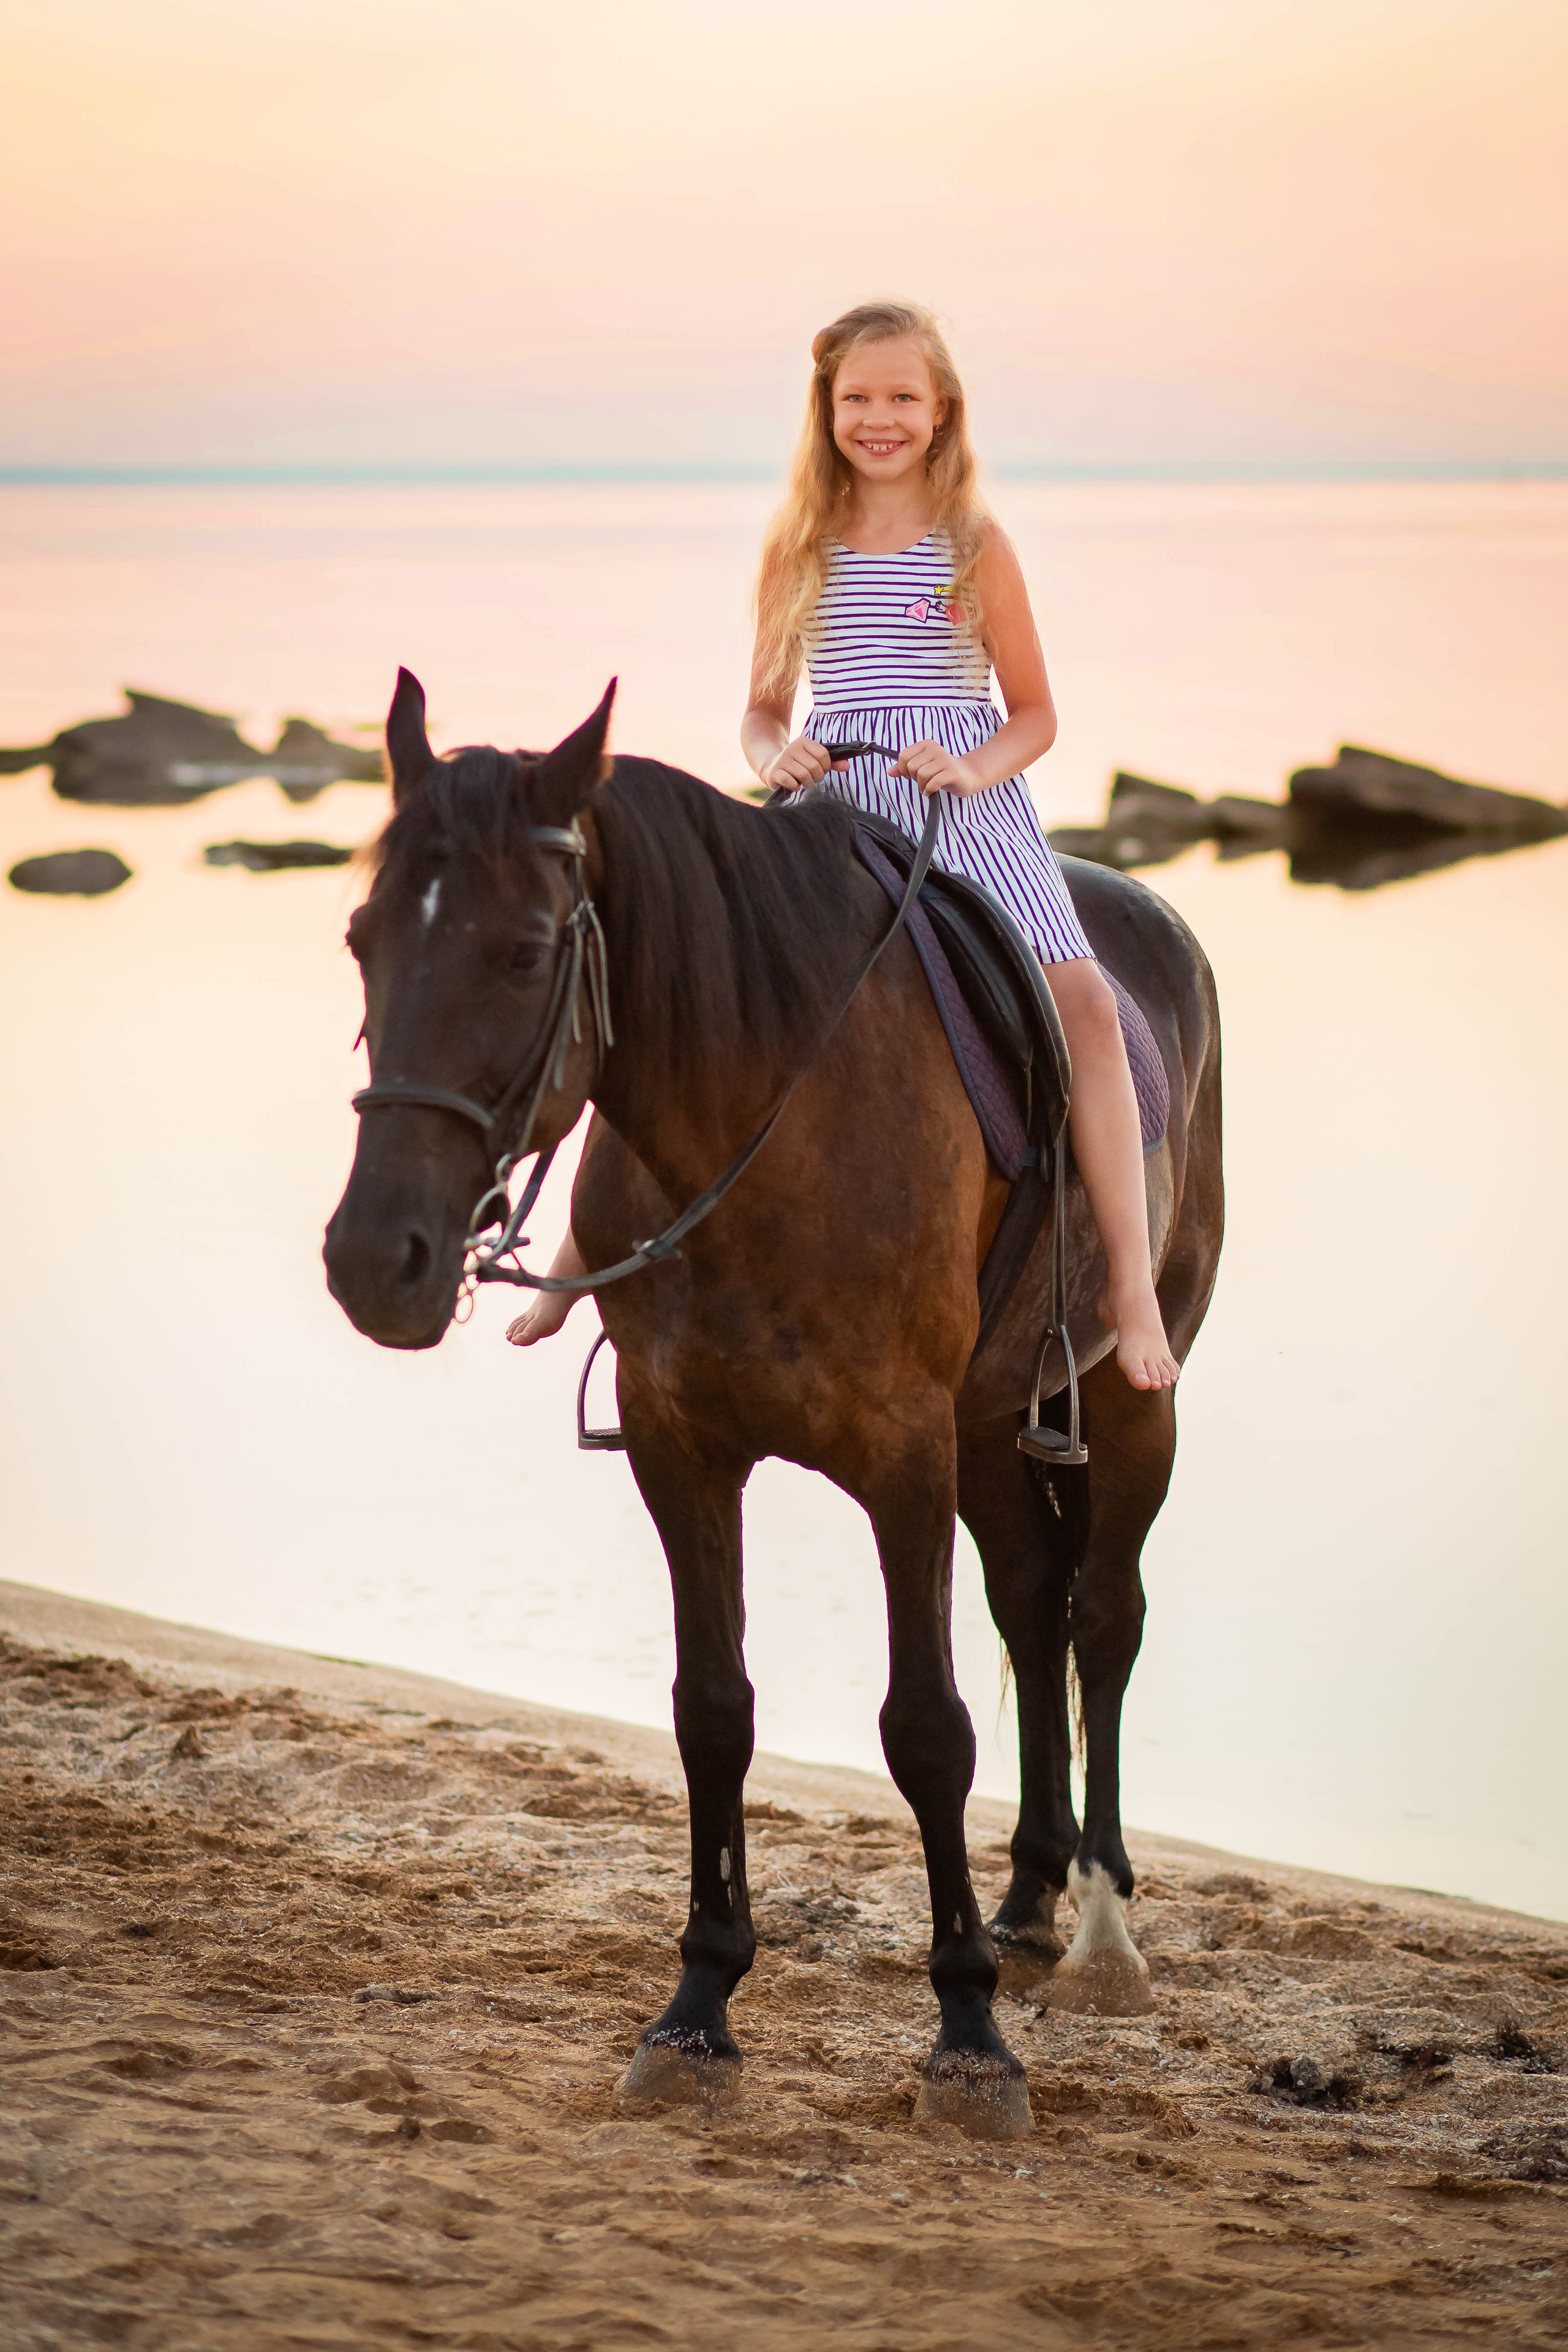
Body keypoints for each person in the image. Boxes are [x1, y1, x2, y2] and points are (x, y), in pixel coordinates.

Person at [509, 298, 1178, 1393]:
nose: (879, 418)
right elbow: (765, 709)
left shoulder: (974, 544)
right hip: (835, 800)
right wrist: (773, 753)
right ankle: (578, 1259)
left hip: (963, 798)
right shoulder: (796, 549)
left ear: (942, 409)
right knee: (680, 1000)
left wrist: (972, 768)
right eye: (857, 398)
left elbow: (1036, 713)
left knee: (1089, 1006)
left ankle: (1130, 1284)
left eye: (901, 398)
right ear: (826, 409)